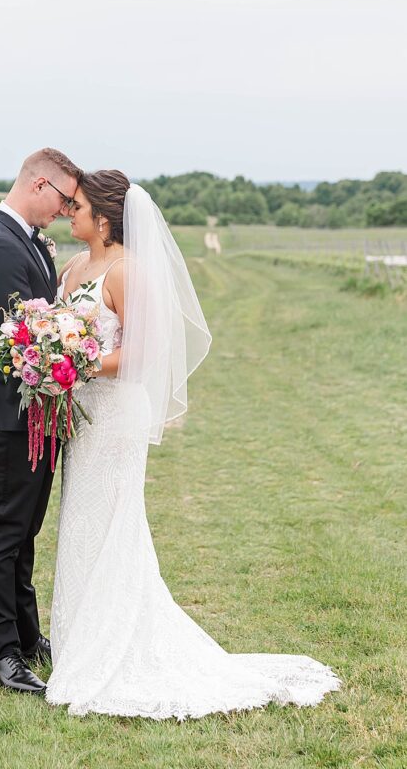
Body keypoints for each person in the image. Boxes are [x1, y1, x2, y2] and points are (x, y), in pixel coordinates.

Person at [46, 170, 341, 719]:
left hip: (115, 416)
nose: (69, 212)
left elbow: (140, 356)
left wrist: (75, 361)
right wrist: (51, 359)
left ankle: (116, 644)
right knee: (81, 518)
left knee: (114, 521)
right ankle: (77, 639)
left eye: (78, 205)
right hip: (84, 416)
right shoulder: (70, 269)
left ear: (106, 217)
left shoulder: (126, 271)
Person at [0, 147, 82, 694]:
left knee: (26, 529)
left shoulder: (26, 241)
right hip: (12, 413)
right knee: (5, 530)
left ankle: (28, 634)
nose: (63, 211)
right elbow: (30, 333)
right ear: (38, 185)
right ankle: (3, 652)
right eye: (62, 200)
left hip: (36, 409)